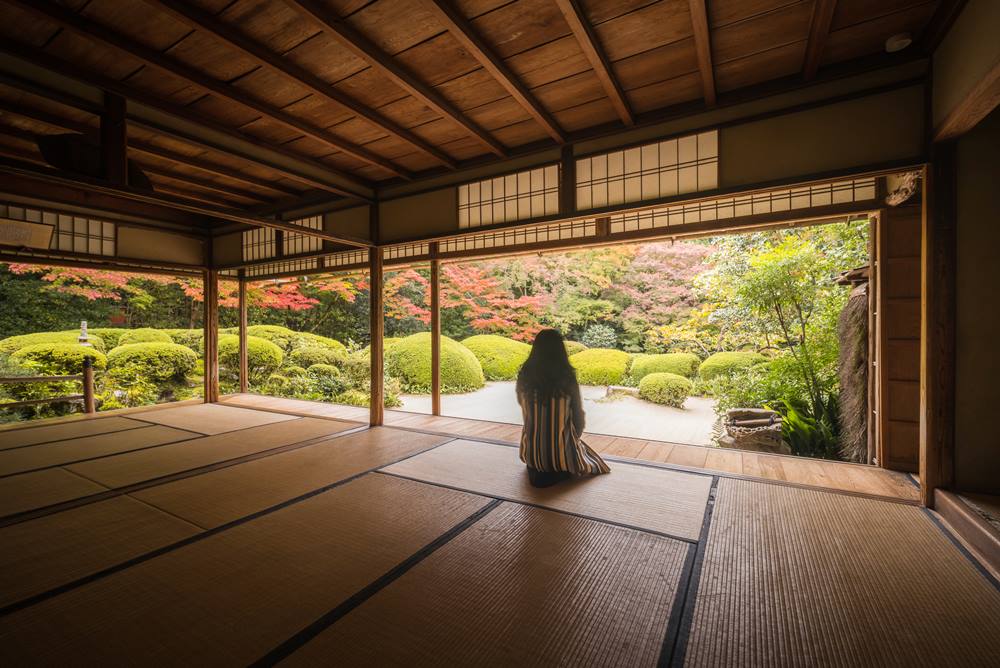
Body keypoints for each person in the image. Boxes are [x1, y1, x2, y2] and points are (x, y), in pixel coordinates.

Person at [515, 329, 610, 488]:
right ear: (561, 349)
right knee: (592, 459)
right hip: (562, 456)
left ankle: (540, 464)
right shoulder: (567, 376)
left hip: (531, 455)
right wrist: (573, 439)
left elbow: (521, 403)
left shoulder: (525, 374)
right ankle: (560, 465)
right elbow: (578, 416)